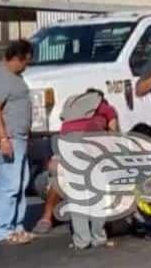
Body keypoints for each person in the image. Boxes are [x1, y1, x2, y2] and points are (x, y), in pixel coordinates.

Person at [33, 88, 119, 238]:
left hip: (66, 145)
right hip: (89, 146)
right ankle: (98, 234)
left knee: (64, 179)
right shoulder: (106, 107)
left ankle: (55, 223)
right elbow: (114, 133)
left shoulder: (73, 106)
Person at [0, 39, 34, 245]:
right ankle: (3, 230)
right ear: (16, 58)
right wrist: (3, 138)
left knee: (20, 184)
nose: (26, 66)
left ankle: (17, 226)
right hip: (8, 139)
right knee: (9, 185)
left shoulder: (14, 76)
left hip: (19, 138)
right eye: (25, 62)